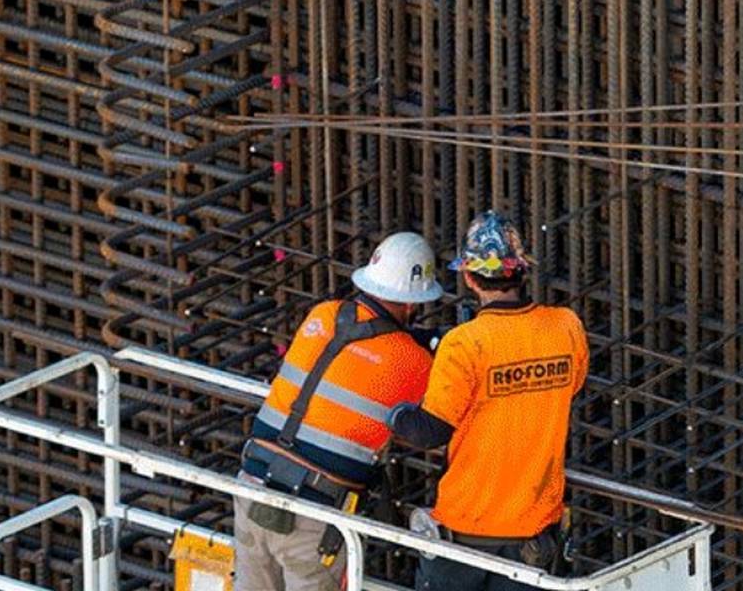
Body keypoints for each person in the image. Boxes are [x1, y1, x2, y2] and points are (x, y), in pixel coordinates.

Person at [235, 230, 446, 591]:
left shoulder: (324, 313)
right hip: (313, 511)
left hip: (252, 483)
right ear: (414, 303)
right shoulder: (414, 360)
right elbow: (427, 427)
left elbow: (357, 352)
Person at [389, 210, 589, 591]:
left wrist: (393, 413)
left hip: (467, 534)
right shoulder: (566, 327)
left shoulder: (465, 343)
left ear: (468, 277)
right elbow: (569, 389)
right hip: (534, 533)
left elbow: (429, 431)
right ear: (522, 271)